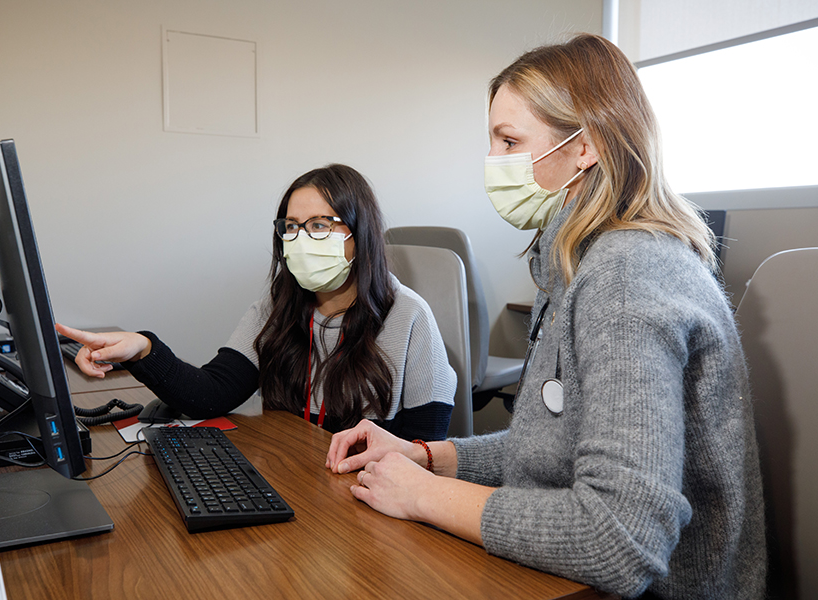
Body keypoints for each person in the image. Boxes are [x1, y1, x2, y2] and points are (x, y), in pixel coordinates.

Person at [325, 34, 765, 599]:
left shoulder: (627, 275)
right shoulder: (579, 264)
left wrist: (421, 495)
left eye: (510, 140)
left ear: (586, 146)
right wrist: (427, 457)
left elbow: (620, 538)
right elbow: (550, 448)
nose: (494, 163)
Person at [58, 164, 456, 440]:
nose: (301, 238)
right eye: (292, 227)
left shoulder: (410, 316)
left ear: (360, 233)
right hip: (293, 485)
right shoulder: (279, 305)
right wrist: (142, 348)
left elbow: (424, 451)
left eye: (320, 225)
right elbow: (210, 393)